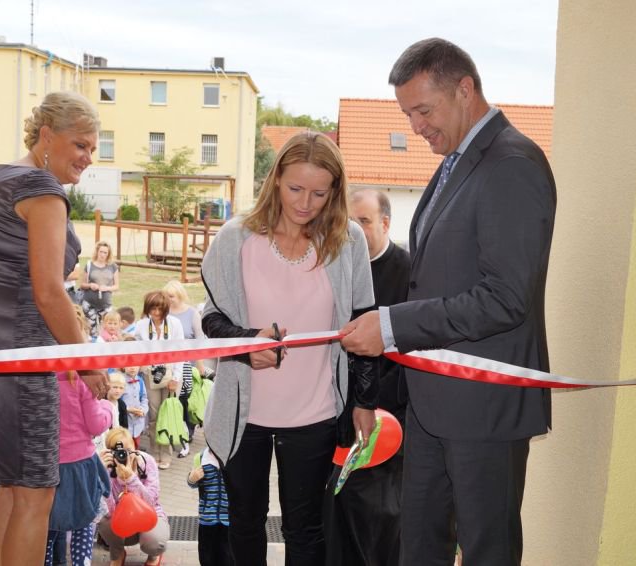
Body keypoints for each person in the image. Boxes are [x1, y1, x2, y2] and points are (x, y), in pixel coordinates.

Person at [341, 38, 556, 566]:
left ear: (464, 90)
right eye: (407, 114)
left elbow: (506, 298)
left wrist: (392, 326)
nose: (416, 127)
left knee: (487, 551)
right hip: (435, 403)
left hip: (485, 406)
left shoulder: (512, 163)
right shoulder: (457, 161)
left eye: (423, 110)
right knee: (420, 545)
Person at [0, 91, 110, 566]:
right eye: (80, 144)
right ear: (47, 136)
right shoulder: (41, 189)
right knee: (37, 492)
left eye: (92, 149)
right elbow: (49, 292)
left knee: (14, 487)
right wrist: (87, 363)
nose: (87, 157)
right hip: (18, 352)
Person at [200, 131, 378, 566]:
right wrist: (246, 344)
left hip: (315, 413)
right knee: (245, 523)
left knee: (305, 529)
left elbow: (364, 326)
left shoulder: (348, 241)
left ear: (335, 191)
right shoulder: (235, 238)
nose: (305, 203)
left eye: (319, 193)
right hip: (244, 415)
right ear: (276, 178)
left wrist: (364, 401)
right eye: (296, 188)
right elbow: (211, 320)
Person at [324, 188, 412, 566]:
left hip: (388, 417)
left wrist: (373, 400)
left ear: (385, 224)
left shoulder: (409, 272)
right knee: (334, 513)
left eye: (363, 221)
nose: (354, 231)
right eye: (349, 222)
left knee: (379, 519)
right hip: (336, 412)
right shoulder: (334, 263)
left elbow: (412, 347)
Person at [44, 370, 113, 566]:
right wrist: (107, 407)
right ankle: (81, 562)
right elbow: (96, 425)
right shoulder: (81, 380)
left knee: (49, 524)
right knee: (84, 520)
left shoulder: (43, 378)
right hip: (81, 466)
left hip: (50, 466)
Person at [97, 427, 169, 566]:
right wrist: (101, 474)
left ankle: (154, 557)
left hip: (149, 516)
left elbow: (150, 502)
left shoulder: (146, 462)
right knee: (104, 522)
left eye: (127, 450)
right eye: (118, 452)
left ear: (135, 447)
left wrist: (130, 479)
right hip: (121, 520)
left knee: (155, 542)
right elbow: (107, 511)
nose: (123, 455)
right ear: (110, 452)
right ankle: (117, 553)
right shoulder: (107, 467)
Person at [133, 290, 186, 469]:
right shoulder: (141, 325)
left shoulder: (175, 324)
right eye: (152, 309)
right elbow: (137, 349)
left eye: (159, 309)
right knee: (154, 416)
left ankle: (166, 453)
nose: (156, 313)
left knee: (168, 413)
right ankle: (155, 452)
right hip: (150, 375)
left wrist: (176, 377)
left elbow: (180, 352)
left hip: (171, 373)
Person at [163, 279, 205, 455]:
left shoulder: (192, 313)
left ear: (179, 295)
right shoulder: (164, 312)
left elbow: (199, 340)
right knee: (174, 400)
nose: (168, 299)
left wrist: (200, 365)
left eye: (171, 296)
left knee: (187, 400)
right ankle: (175, 430)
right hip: (169, 364)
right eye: (166, 296)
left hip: (188, 364)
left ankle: (188, 429)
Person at [188, 447, 233, 566]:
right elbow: (192, 482)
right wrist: (192, 479)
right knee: (207, 557)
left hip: (229, 519)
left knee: (228, 558)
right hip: (207, 519)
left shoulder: (234, 456)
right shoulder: (201, 458)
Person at [81, 241, 119, 337]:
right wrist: (90, 285)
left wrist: (107, 288)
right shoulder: (89, 265)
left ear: (108, 254)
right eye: (101, 252)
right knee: (91, 331)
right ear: (97, 252)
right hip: (89, 304)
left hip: (105, 304)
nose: (102, 254)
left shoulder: (113, 266)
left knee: (108, 331)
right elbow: (82, 284)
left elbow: (116, 286)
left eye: (105, 252)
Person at [120, 363, 149, 447]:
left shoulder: (140, 381)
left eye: (135, 365)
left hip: (137, 423)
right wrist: (127, 409)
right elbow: (116, 401)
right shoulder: (120, 381)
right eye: (129, 365)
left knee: (135, 446)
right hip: (125, 423)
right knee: (125, 446)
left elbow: (144, 398)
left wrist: (143, 410)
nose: (132, 368)